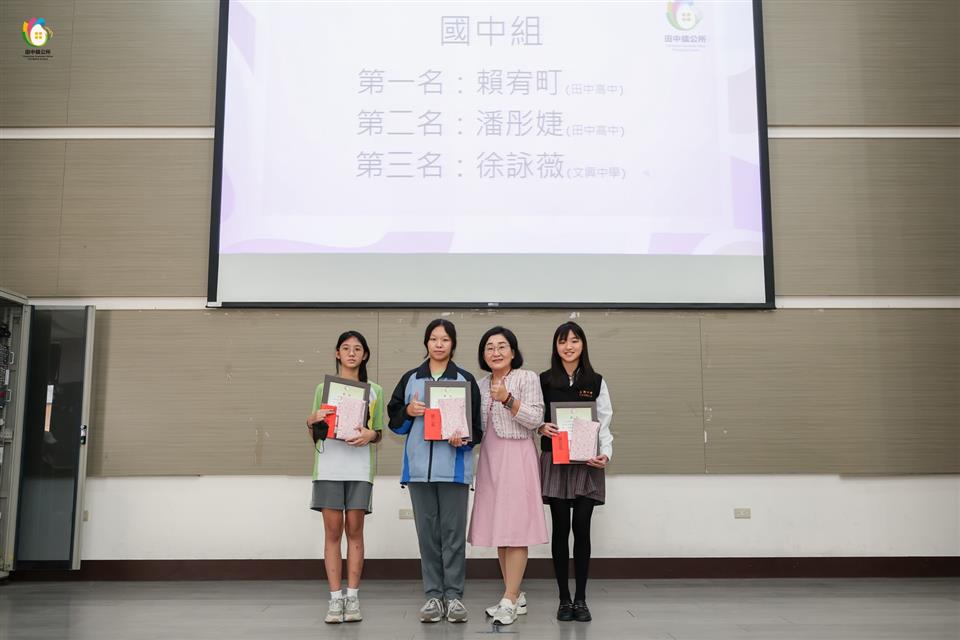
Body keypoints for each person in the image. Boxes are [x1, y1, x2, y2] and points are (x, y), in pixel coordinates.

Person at [387, 319, 482, 623]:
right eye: (433, 338)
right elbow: (395, 424)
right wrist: (408, 411)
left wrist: (463, 439)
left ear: (453, 344)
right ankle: (432, 596)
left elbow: (476, 430)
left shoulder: (465, 379)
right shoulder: (411, 379)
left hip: (453, 472)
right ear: (426, 343)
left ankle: (453, 597)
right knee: (427, 536)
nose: (439, 344)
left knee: (453, 536)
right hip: (419, 473)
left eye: (445, 339)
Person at [468, 326, 548, 626]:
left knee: (515, 528)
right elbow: (472, 424)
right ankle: (514, 594)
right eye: (489, 347)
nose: (496, 352)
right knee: (501, 528)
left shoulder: (527, 378)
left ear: (513, 352)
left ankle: (510, 598)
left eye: (502, 346)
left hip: (517, 456)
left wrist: (508, 399)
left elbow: (536, 418)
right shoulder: (479, 384)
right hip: (490, 457)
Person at [304, 330, 384, 624]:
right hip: (329, 467)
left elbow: (379, 431)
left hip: (359, 469)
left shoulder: (374, 390)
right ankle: (335, 598)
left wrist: (371, 435)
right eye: (346, 348)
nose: (352, 353)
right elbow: (316, 434)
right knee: (333, 532)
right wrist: (310, 421)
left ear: (365, 355)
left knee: (355, 530)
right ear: (337, 353)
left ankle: (353, 597)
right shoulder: (322, 389)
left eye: (357, 348)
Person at [537, 322, 613, 622]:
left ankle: (581, 599)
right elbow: (535, 417)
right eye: (562, 341)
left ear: (583, 344)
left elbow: (604, 421)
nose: (568, 346)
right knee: (560, 529)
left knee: (582, 528)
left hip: (587, 462)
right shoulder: (544, 380)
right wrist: (541, 427)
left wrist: (606, 453)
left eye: (574, 340)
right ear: (555, 347)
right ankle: (563, 599)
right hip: (555, 461)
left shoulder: (596, 381)